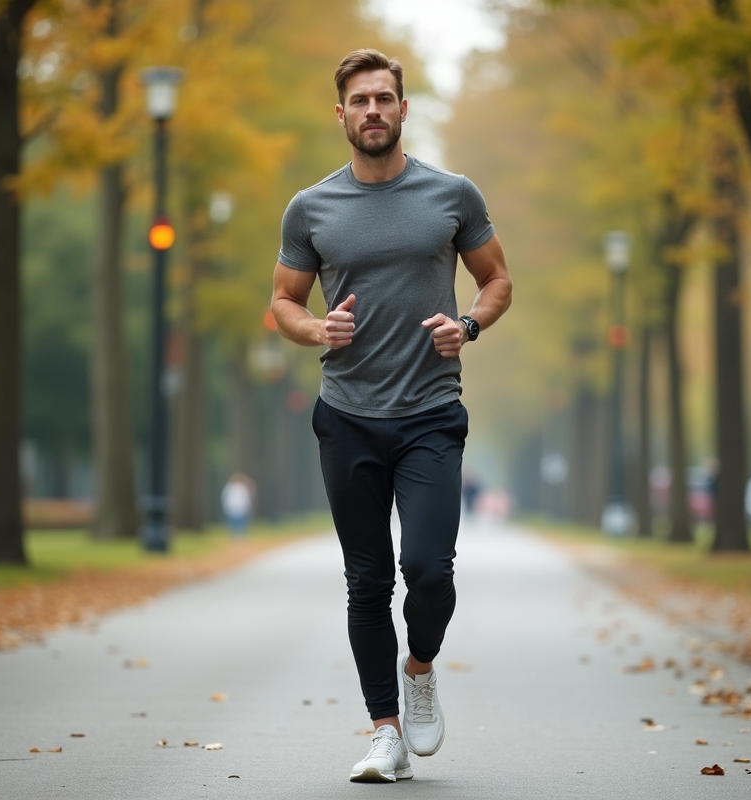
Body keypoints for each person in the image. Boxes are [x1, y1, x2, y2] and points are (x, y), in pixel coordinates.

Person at [271, 48, 512, 783]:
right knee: (368, 581)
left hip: (430, 413)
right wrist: (317, 329)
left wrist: (467, 326)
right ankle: (385, 733)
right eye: (359, 100)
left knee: (429, 570)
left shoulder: (452, 195)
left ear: (403, 109)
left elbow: (497, 280)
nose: (372, 110)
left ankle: (421, 667)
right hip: (347, 416)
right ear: (340, 114)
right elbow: (282, 301)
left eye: (383, 98)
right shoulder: (311, 208)